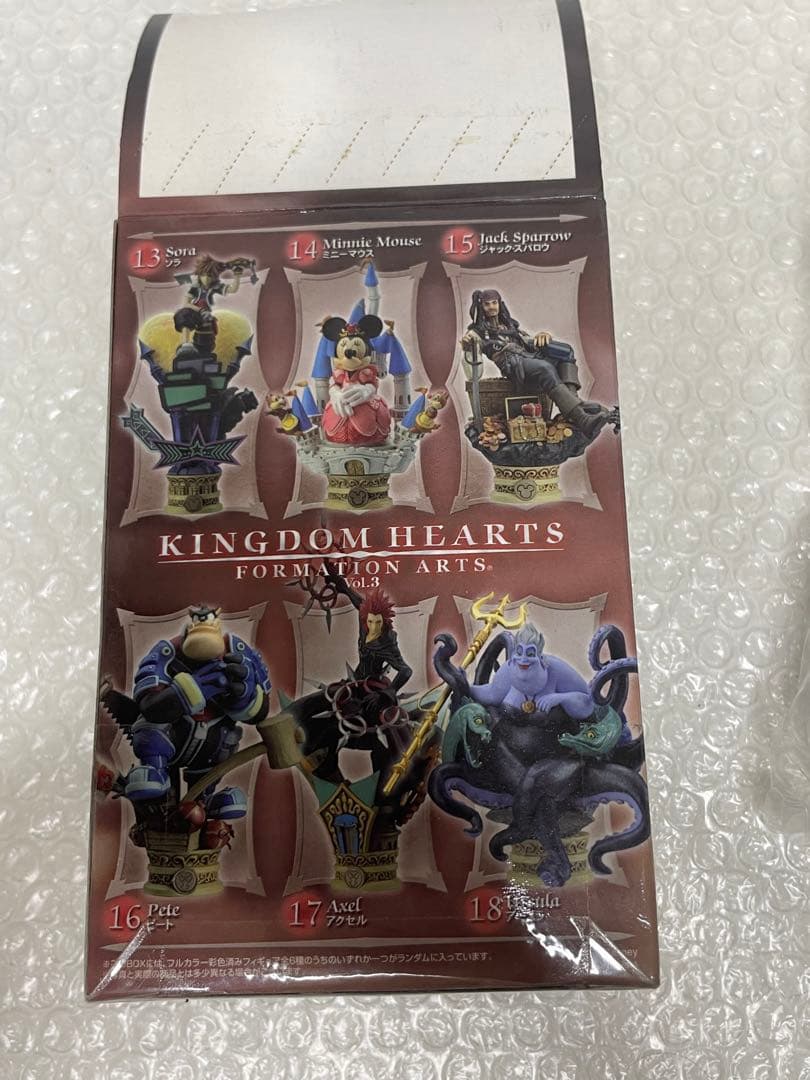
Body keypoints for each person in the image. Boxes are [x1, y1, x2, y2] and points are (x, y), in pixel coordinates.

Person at [462, 289, 610, 438]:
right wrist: (468, 349)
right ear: (481, 307)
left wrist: (543, 336)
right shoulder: (476, 333)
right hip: (513, 364)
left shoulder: (510, 326)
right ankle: (582, 418)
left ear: (500, 304)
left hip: (528, 354)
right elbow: (474, 373)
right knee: (545, 368)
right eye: (487, 304)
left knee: (565, 351)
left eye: (494, 303)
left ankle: (575, 405)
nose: (491, 307)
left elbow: (528, 341)